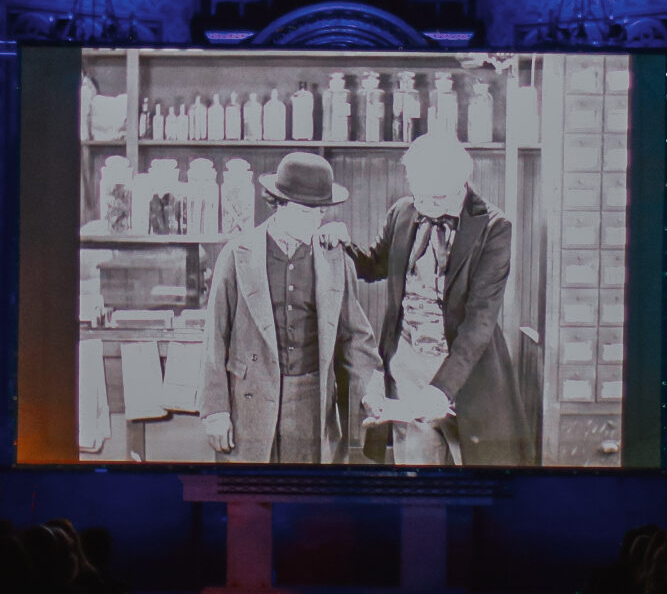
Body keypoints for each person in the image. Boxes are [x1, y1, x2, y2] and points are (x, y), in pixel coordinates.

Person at [322, 132, 532, 466]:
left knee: (474, 473)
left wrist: (440, 390)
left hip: (465, 368)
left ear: (462, 184)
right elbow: (374, 265)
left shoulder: (493, 227)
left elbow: (480, 321)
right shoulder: (404, 212)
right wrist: (342, 243)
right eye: (419, 195)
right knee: (417, 474)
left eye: (436, 198)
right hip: (407, 366)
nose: (425, 206)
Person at [200, 152, 384, 463]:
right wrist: (215, 411)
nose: (313, 221)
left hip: (312, 404)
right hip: (248, 404)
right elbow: (214, 338)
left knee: (305, 498)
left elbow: (357, 337)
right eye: (303, 212)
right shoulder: (236, 255)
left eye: (319, 212)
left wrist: (372, 392)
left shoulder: (335, 259)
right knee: (250, 502)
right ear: (277, 203)